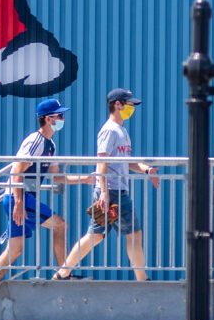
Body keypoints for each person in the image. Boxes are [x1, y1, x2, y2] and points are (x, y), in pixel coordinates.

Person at [54, 88, 160, 281]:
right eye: (129, 104)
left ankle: (63, 273)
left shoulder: (122, 131)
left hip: (115, 191)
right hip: (111, 192)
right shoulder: (109, 130)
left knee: (98, 235)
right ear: (117, 104)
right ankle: (142, 280)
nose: (132, 108)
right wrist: (103, 192)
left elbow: (127, 162)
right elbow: (102, 162)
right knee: (131, 234)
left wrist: (147, 170)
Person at [0, 98, 79, 292]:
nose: (63, 118)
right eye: (60, 115)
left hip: (22, 198)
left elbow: (57, 176)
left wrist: (84, 179)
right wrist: (18, 202)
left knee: (14, 250)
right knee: (60, 225)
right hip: (21, 198)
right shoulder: (36, 141)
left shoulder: (50, 144)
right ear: (49, 119)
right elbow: (17, 169)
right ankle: (63, 274)